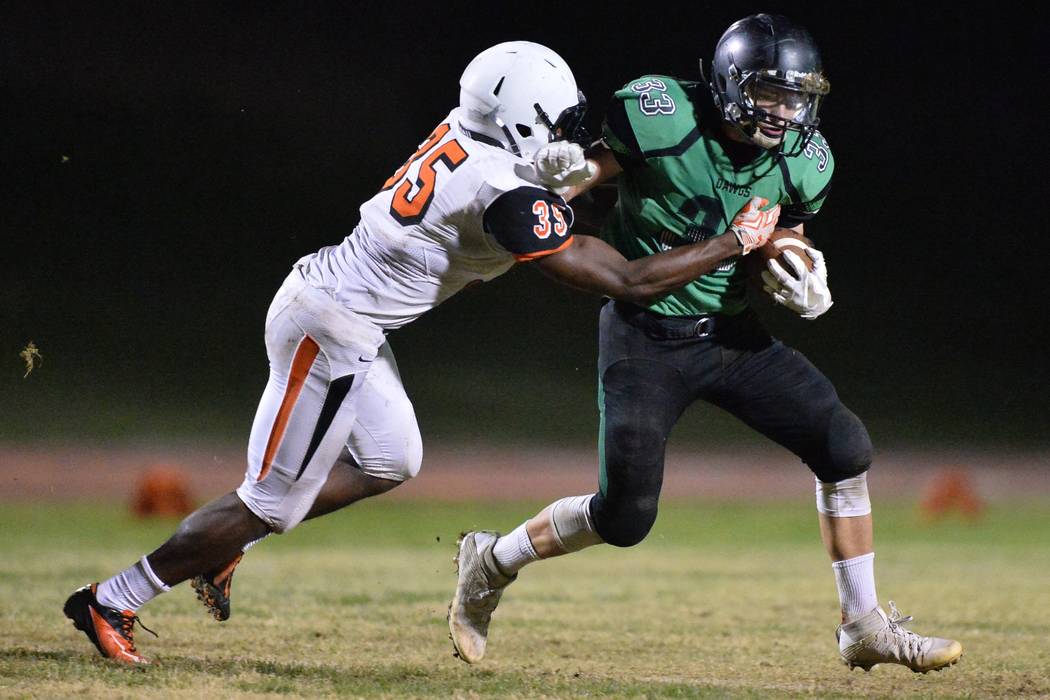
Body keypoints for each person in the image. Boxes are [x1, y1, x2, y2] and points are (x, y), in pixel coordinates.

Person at [62, 40, 782, 665]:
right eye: (559, 120)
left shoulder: (471, 137)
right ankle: (112, 599)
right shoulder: (501, 191)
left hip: (344, 318)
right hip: (329, 326)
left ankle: (225, 546)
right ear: (524, 117)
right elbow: (621, 278)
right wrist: (732, 242)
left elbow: (535, 198)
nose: (571, 131)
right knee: (268, 501)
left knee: (392, 458)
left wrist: (555, 178)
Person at [448, 15, 963, 674]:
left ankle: (862, 625)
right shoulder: (660, 112)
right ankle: (492, 560)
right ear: (728, 85)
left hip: (730, 331)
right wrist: (561, 173)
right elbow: (587, 179)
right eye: (771, 94)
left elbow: (782, 233)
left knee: (844, 446)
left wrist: (799, 267)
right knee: (624, 517)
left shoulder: (807, 160)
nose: (785, 112)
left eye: (797, 97)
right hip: (644, 336)